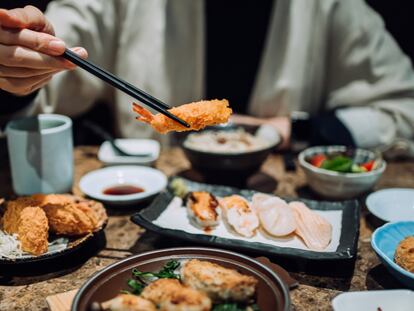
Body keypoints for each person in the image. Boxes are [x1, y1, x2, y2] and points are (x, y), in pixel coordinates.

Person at [0, 0, 413, 156]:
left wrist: (296, 129)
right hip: (153, 195)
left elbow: (405, 107)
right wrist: (18, 68)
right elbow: (52, 73)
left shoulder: (332, 9)